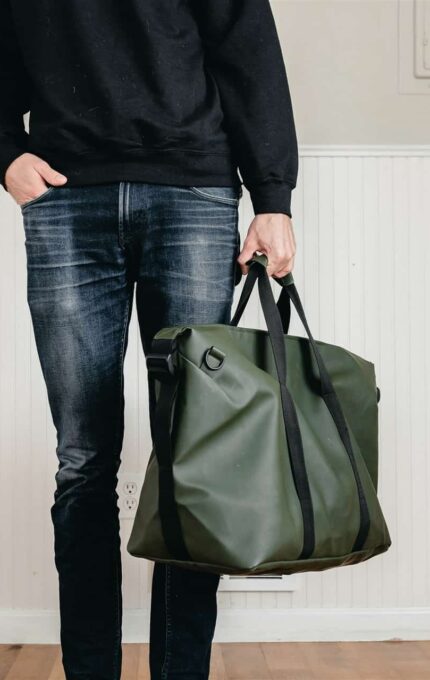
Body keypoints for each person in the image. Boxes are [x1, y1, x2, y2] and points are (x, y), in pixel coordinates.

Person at [0, 0, 298, 678]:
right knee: (83, 458)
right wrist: (5, 155)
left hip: (193, 193)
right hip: (66, 198)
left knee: (192, 456)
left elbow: (247, 50)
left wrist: (273, 198)